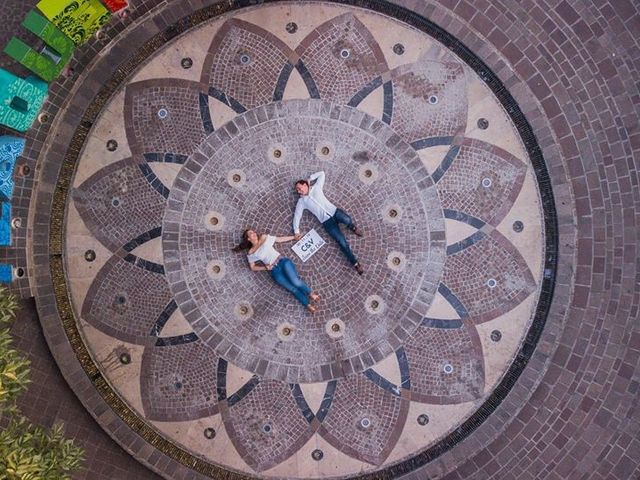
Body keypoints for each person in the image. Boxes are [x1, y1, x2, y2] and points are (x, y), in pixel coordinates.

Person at [293, 171, 364, 275]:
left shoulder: (316, 188)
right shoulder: (302, 202)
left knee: (347, 219)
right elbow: (297, 216)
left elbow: (322, 174)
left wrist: (310, 178)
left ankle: (352, 227)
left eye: (299, 188)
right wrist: (296, 231)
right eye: (297, 190)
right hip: (327, 223)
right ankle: (355, 263)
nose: (299, 191)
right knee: (341, 242)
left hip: (335, 212)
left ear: (305, 184)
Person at [233, 229, 320, 312]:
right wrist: (265, 268)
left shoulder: (263, 237)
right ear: (248, 239)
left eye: (253, 231)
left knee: (295, 282)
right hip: (274, 271)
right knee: (292, 289)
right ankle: (307, 304)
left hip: (282, 262)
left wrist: (293, 237)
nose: (254, 233)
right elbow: (252, 267)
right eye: (251, 233)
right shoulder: (251, 252)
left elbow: (279, 239)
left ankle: (311, 293)